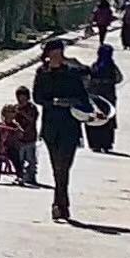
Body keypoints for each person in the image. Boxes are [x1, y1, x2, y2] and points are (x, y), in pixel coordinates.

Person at [30, 38, 90, 221]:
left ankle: (59, 203)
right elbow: (37, 97)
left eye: (60, 53)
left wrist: (71, 102)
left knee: (64, 165)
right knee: (57, 166)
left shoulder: (72, 73)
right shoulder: (42, 73)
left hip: (70, 125)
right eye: (54, 53)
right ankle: (61, 203)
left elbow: (83, 98)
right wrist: (53, 102)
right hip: (50, 125)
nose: (57, 56)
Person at [84, 44, 123, 153]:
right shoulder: (112, 67)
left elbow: (88, 80)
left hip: (96, 97)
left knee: (95, 118)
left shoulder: (94, 66)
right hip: (108, 97)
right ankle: (106, 144)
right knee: (107, 119)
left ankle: (95, 144)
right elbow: (119, 78)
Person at [13, 86, 41, 185]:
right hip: (19, 138)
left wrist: (22, 113)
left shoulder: (32, 108)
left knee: (31, 159)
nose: (21, 100)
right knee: (19, 159)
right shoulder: (16, 108)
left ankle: (31, 176)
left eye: (23, 97)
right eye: (19, 97)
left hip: (30, 137)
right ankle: (20, 176)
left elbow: (32, 119)